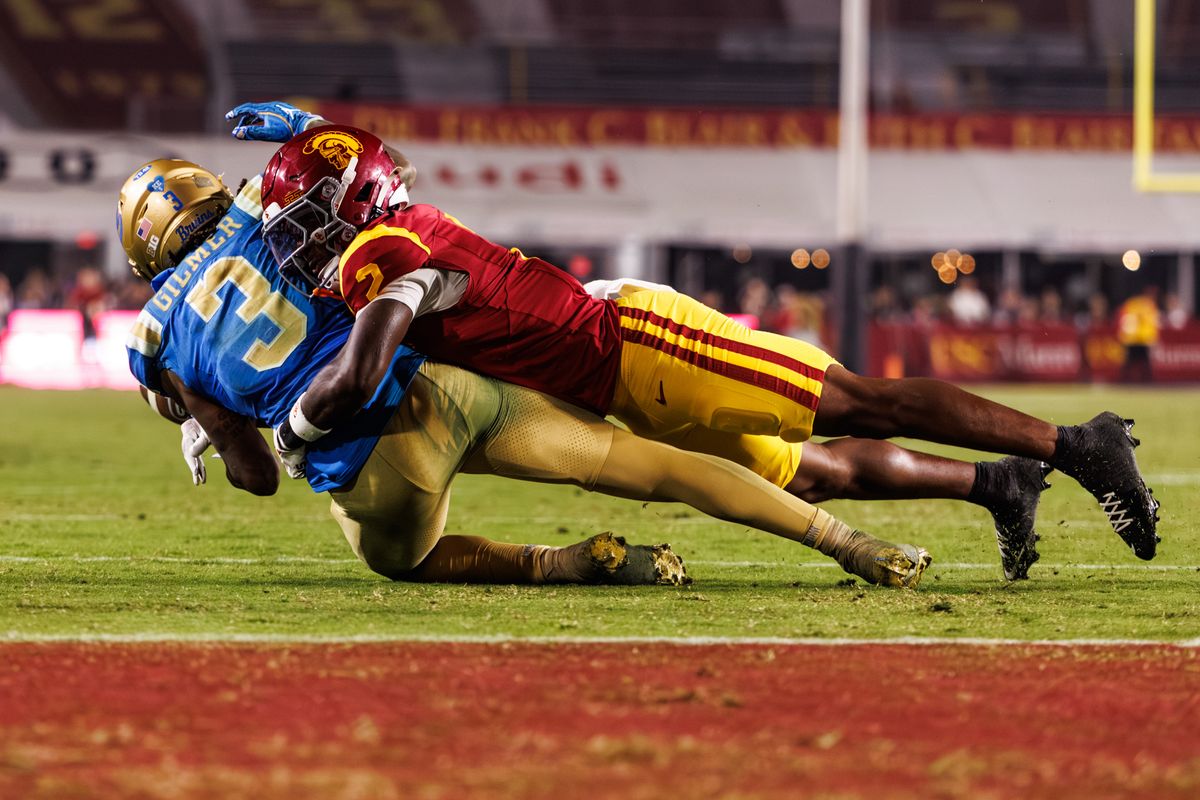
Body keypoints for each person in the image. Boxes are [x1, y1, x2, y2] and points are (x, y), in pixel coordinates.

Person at [252, 120, 1161, 575]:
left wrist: (291, 427)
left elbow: (364, 366)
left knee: (859, 400)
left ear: (350, 208)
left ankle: (1076, 446)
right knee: (804, 474)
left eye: (303, 217)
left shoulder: (385, 248)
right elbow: (358, 173)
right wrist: (301, 138)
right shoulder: (396, 219)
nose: (296, 237)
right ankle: (996, 483)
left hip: (644, 345)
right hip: (619, 379)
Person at [118, 157, 932, 589]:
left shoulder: (160, 336)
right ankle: (845, 541)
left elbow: (256, 477)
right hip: (449, 387)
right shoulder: (265, 209)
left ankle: (553, 564)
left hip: (373, 461)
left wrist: (213, 415)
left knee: (397, 561)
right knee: (664, 467)